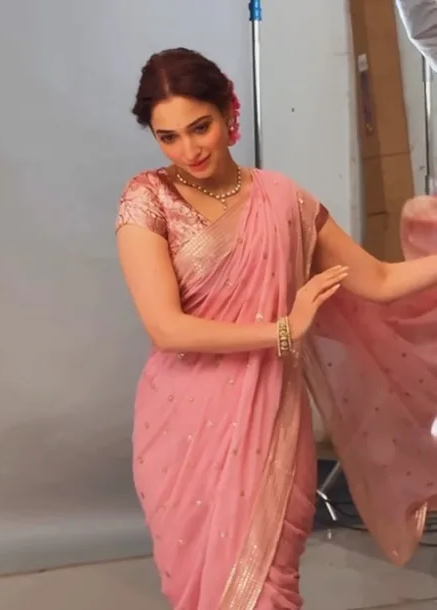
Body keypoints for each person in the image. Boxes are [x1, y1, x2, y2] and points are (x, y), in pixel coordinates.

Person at [116, 47, 437, 610]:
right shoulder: (148, 200)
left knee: (269, 588)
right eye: (168, 137)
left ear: (228, 111)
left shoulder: (283, 200)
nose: (189, 150)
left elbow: (380, 279)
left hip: (272, 423)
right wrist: (283, 332)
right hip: (181, 427)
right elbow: (167, 329)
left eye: (200, 127)